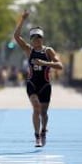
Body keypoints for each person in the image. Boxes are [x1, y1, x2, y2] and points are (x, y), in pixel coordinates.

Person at [14, 9, 63, 147]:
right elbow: (16, 37)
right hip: (32, 83)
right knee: (36, 108)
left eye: (39, 37)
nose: (37, 40)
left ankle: (43, 130)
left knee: (44, 112)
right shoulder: (29, 50)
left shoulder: (48, 51)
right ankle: (37, 137)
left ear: (42, 38)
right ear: (31, 39)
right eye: (34, 38)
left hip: (45, 84)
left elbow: (60, 65)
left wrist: (44, 63)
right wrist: (22, 19)